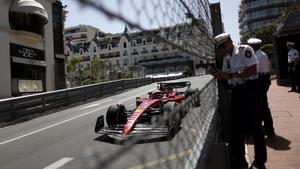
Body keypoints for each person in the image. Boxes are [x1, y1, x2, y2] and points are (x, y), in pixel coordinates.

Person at [209, 33, 267, 169]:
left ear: (229, 41)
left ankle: (260, 161)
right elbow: (226, 77)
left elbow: (252, 70)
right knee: (237, 129)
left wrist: (230, 74)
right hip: (237, 93)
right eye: (220, 47)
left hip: (251, 91)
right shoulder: (226, 58)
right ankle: (241, 161)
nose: (222, 49)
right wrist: (218, 74)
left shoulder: (244, 50)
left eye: (223, 45)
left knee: (257, 127)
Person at [247, 38, 275, 137]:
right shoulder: (262, 54)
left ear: (253, 46)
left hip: (260, 80)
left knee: (261, 106)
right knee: (263, 105)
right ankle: (269, 129)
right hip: (264, 79)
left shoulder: (257, 56)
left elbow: (254, 71)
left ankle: (268, 130)